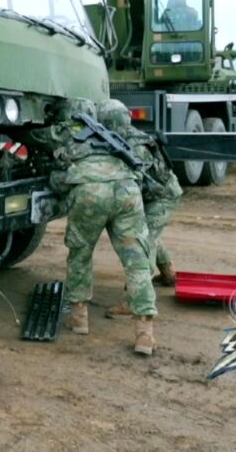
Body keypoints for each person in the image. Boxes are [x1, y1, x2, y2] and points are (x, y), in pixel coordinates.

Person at [41, 97, 157, 355]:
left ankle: (80, 318)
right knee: (137, 261)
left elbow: (44, 146)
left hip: (90, 192)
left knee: (81, 254)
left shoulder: (71, 134)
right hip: (127, 191)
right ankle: (144, 334)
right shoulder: (116, 138)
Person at [105, 104, 183, 319]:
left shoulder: (131, 145)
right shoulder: (133, 136)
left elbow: (133, 181)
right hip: (158, 194)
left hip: (160, 197)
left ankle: (135, 300)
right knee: (150, 233)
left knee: (143, 243)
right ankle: (169, 273)